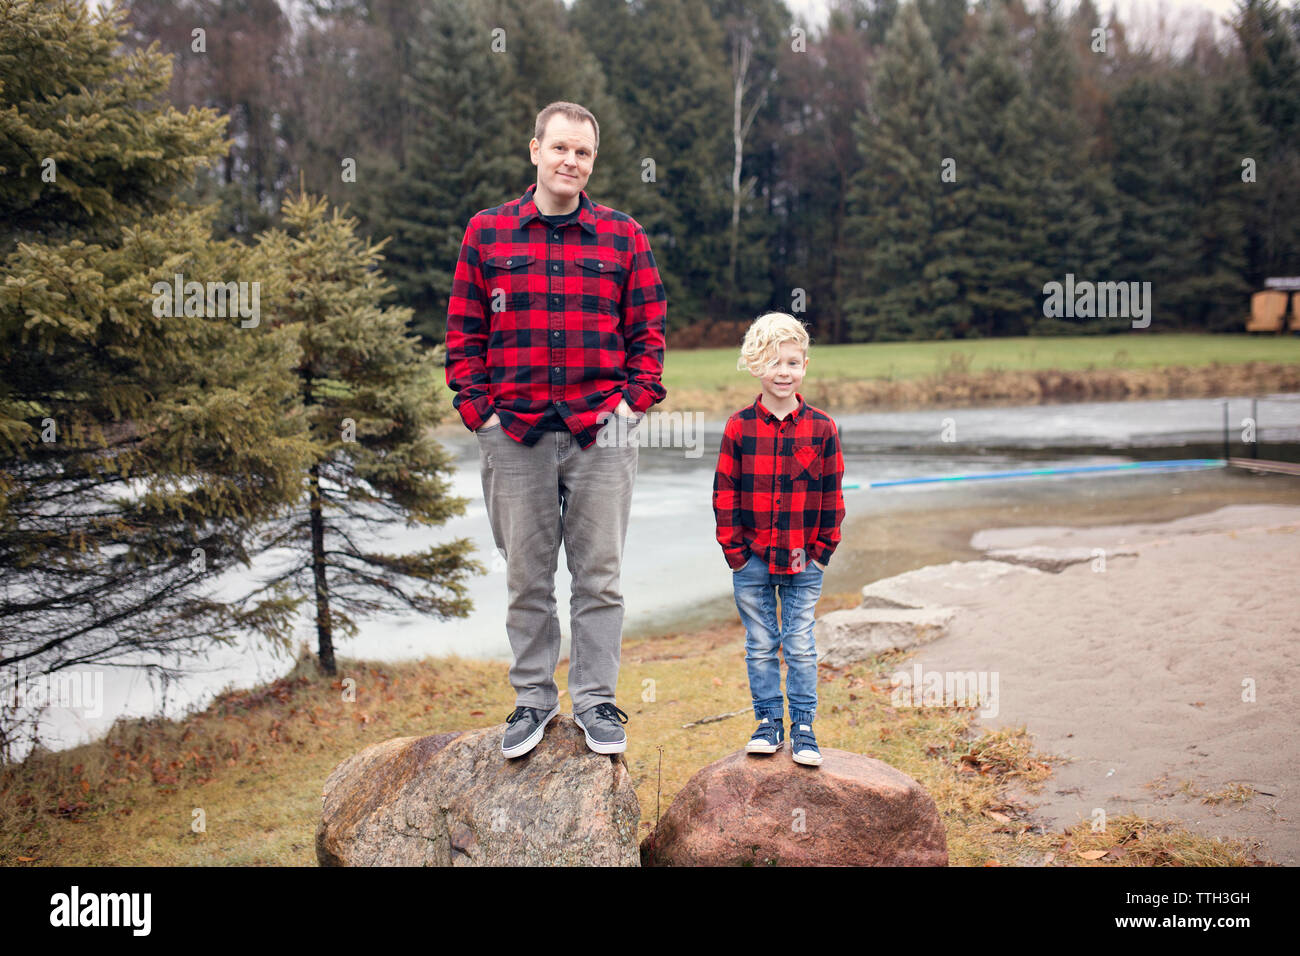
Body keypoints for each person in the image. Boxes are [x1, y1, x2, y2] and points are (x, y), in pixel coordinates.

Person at [444, 101, 667, 759]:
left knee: (599, 578)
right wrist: (479, 415)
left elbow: (648, 335)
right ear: (535, 150)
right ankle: (533, 702)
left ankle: (597, 703)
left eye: (584, 153)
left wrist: (631, 406)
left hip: (602, 432)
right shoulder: (487, 233)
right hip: (514, 435)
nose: (572, 161)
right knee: (528, 578)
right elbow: (464, 336)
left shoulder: (623, 237)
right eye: (561, 148)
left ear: (592, 163)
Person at [712, 313, 845, 767]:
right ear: (755, 366)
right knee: (761, 644)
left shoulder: (822, 427)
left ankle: (804, 726)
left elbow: (831, 493)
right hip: (751, 559)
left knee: (801, 643)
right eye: (773, 362)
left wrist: (823, 552)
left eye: (792, 362)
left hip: (803, 560)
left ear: (805, 365)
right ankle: (767, 722)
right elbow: (724, 491)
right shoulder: (738, 427)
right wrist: (733, 552)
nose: (783, 371)